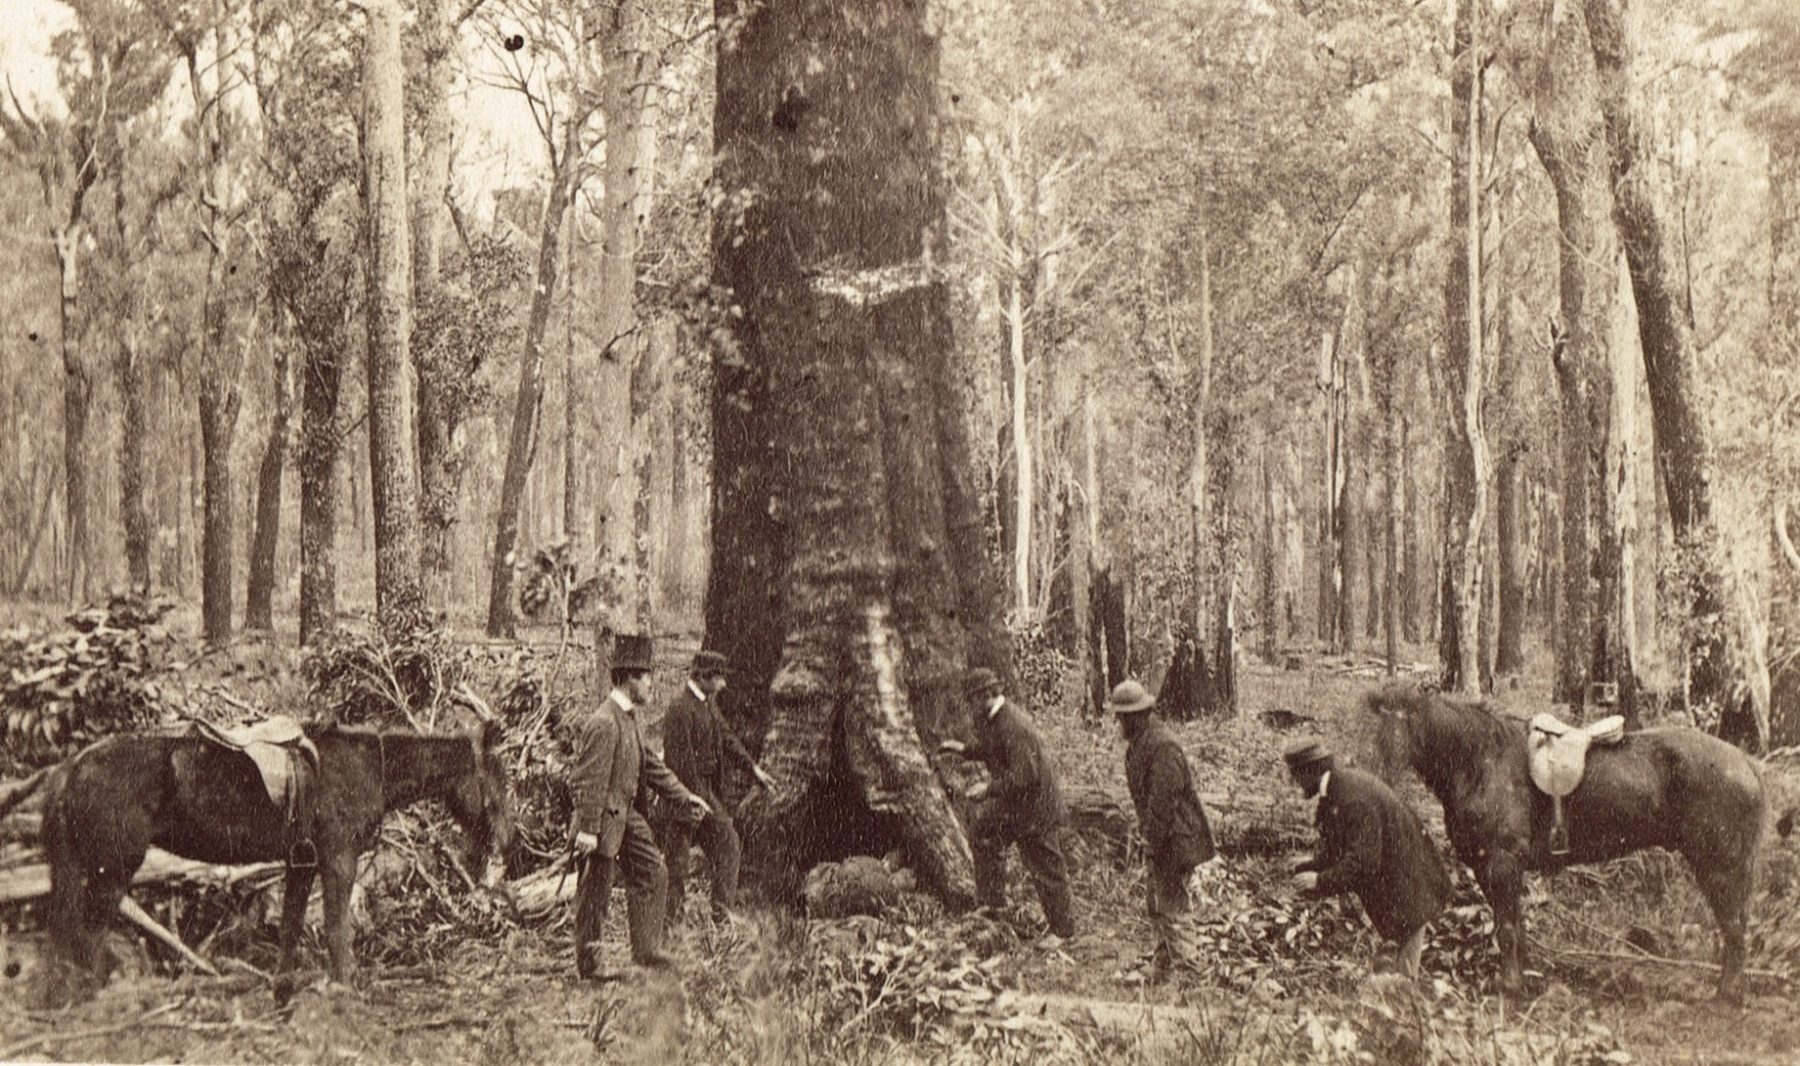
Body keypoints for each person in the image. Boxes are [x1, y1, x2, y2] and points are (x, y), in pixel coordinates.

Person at [567, 633, 710, 978]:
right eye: (648, 677)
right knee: (596, 893)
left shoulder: (630, 719)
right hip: (600, 818)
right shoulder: (604, 722)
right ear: (630, 677)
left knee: (654, 872)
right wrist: (587, 830)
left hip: (625, 814)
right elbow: (586, 781)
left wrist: (684, 795)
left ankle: (646, 952)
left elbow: (653, 767)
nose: (651, 685)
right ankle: (590, 963)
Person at [1284, 739, 1449, 977]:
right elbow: (1340, 849)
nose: (1296, 784)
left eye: (1296, 776)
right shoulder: (1337, 788)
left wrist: (1319, 881)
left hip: (1412, 890)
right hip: (1401, 889)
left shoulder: (1353, 799)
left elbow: (1363, 863)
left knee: (1401, 982)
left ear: (1310, 771)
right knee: (1392, 974)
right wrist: (1308, 866)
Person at [939, 667, 1077, 940]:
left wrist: (988, 789)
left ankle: (1063, 933)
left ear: (986, 695)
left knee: (1046, 867)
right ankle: (993, 905)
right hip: (1017, 805)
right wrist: (964, 750)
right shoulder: (995, 719)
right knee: (983, 833)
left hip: (1036, 807)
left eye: (972, 700)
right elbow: (995, 750)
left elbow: (1026, 777)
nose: (970, 708)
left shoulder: (1012, 723)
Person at [660, 649, 777, 924]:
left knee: (727, 843)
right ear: (702, 677)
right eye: (719, 678)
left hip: (705, 792)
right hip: (684, 796)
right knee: (677, 866)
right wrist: (695, 799)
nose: (724, 684)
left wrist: (753, 768)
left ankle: (722, 916)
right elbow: (680, 763)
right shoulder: (680, 708)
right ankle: (670, 929)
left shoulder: (707, 704)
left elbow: (727, 738)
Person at [1110, 678, 1216, 976]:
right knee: (1157, 903)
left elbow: (1162, 805)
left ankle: (1192, 972)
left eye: (1123, 717)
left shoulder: (1163, 746)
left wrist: (1151, 842)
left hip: (1176, 839)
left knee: (1171, 907)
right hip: (1162, 837)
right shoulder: (1142, 742)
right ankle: (1164, 964)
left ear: (1138, 715)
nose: (1119, 723)